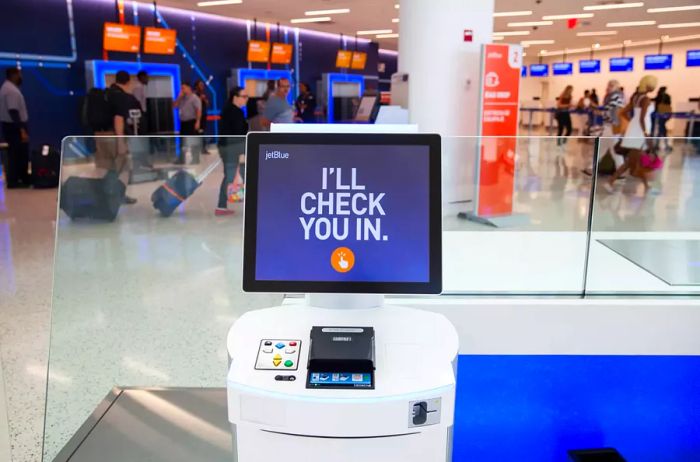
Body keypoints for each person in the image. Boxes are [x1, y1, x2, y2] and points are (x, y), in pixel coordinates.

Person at [605, 75, 659, 194]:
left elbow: (623, 112)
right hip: (640, 131)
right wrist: (646, 135)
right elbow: (642, 118)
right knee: (631, 162)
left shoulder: (636, 97)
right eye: (653, 85)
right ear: (648, 85)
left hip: (634, 129)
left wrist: (631, 123)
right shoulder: (645, 99)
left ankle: (646, 187)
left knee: (632, 162)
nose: (654, 87)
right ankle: (610, 182)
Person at [95, 70, 141, 204]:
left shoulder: (104, 94)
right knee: (123, 167)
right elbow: (118, 119)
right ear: (128, 82)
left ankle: (105, 195)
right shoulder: (121, 96)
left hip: (99, 135)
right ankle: (119, 195)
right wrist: (121, 141)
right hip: (114, 135)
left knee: (105, 166)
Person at [216, 86, 248, 216]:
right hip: (232, 149)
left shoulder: (228, 110)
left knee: (231, 176)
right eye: (244, 96)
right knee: (230, 176)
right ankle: (221, 206)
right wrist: (241, 153)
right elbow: (239, 133)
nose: (246, 99)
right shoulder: (235, 112)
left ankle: (222, 205)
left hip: (229, 148)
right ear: (235, 97)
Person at [584, 80, 625, 176]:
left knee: (609, 148)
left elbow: (613, 112)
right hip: (610, 125)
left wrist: (600, 113)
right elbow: (608, 110)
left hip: (612, 126)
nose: (608, 87)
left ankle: (620, 169)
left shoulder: (615, 97)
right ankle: (620, 169)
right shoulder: (612, 97)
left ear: (616, 87)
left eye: (611, 85)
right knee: (607, 148)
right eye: (608, 85)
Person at [0, 68, 30, 188]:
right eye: (19, 74)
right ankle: (14, 180)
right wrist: (22, 130)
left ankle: (20, 178)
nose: (21, 77)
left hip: (11, 126)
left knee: (17, 154)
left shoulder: (6, 88)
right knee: (16, 154)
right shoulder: (11, 90)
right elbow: (13, 111)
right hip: (14, 127)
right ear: (14, 75)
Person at [174, 82, 202, 164]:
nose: (182, 90)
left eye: (184, 88)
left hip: (191, 121)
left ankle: (195, 158)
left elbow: (198, 110)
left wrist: (198, 121)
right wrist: (179, 97)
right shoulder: (182, 98)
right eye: (181, 88)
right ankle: (181, 159)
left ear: (189, 88)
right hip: (183, 122)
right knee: (182, 142)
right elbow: (174, 106)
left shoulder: (194, 98)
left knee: (193, 141)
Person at [651, 86, 672, 151]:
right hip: (664, 114)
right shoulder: (667, 96)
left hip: (658, 114)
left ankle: (656, 145)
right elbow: (669, 104)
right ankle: (664, 144)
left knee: (658, 130)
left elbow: (654, 100)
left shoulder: (659, 96)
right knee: (662, 130)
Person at [194, 79, 210, 154]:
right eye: (200, 85)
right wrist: (200, 99)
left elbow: (207, 104)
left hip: (203, 115)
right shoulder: (194, 95)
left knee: (203, 132)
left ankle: (204, 148)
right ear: (197, 86)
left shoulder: (204, 94)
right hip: (196, 116)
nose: (202, 86)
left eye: (203, 85)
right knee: (197, 133)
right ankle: (196, 149)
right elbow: (195, 105)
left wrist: (205, 100)